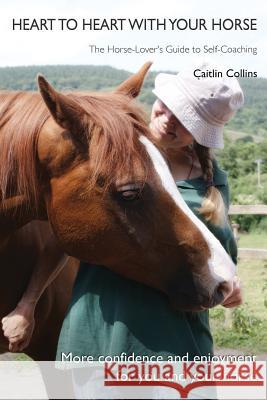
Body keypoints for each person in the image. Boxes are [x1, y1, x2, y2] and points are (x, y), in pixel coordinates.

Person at [56, 61, 243, 368]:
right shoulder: (104, 159)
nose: (168, 119)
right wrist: (28, 303)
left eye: (185, 118)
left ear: (201, 132)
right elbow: (63, 232)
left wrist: (232, 284)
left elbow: (222, 260)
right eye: (167, 105)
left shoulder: (212, 183)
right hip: (99, 328)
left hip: (175, 339)